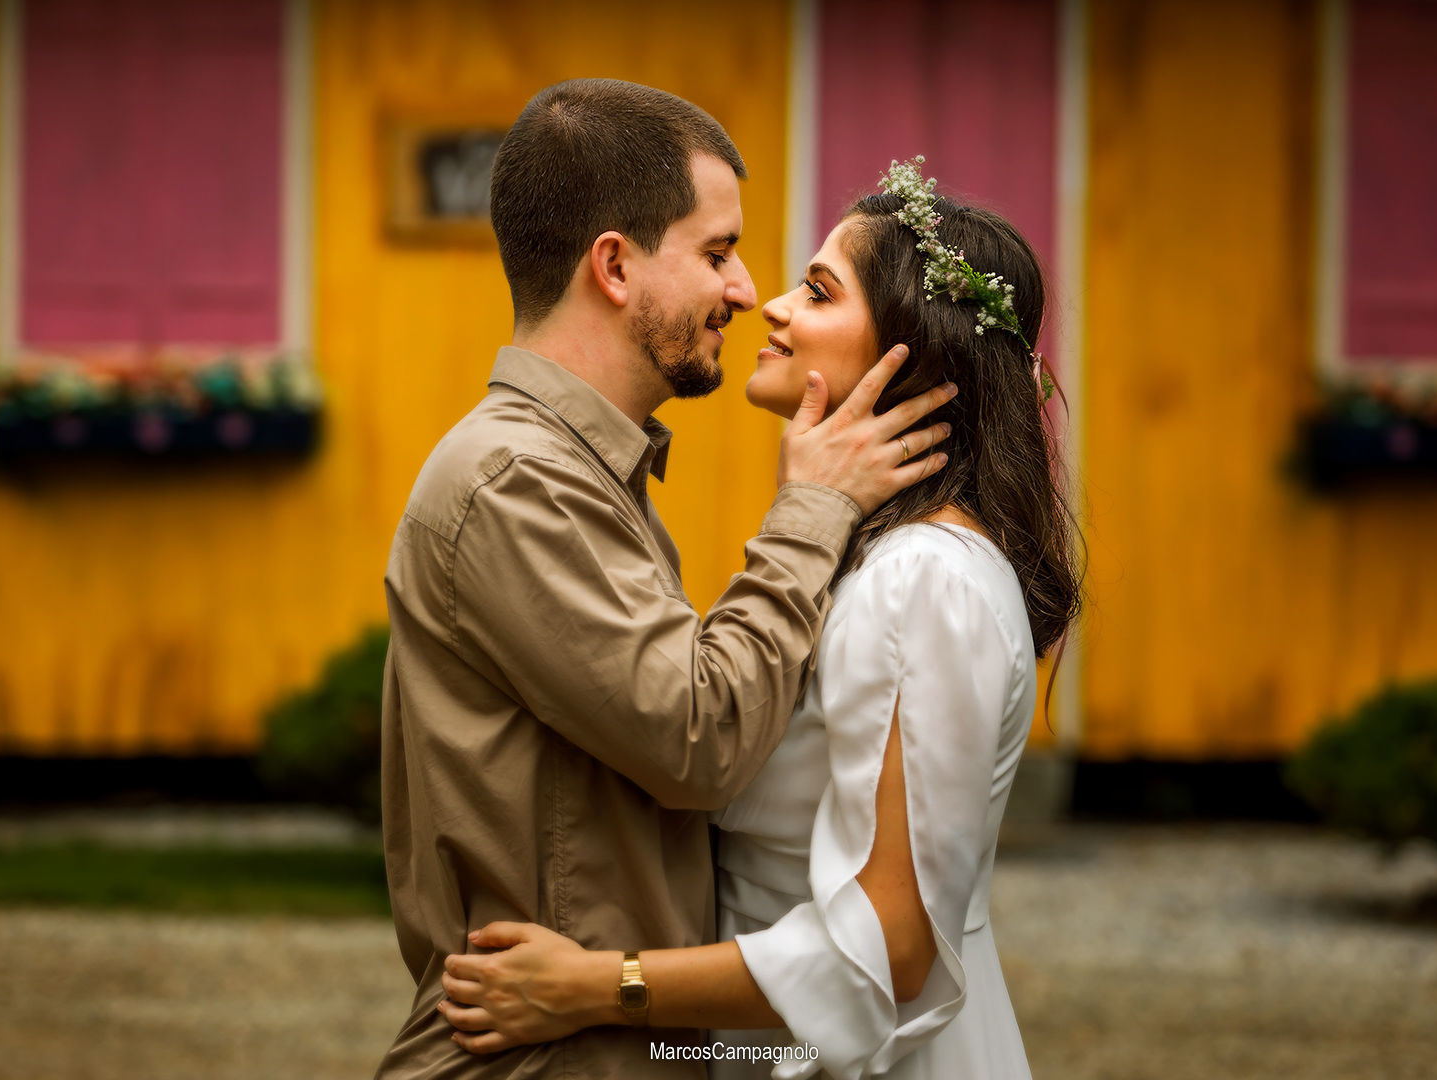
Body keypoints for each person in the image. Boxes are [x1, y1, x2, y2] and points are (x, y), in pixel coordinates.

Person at [434, 159, 1084, 1079]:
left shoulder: (926, 579)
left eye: (817, 292)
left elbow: (893, 948)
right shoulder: (870, 557)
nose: (767, 306)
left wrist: (595, 987)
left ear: (913, 353)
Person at [375, 83, 955, 1080]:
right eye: (717, 252)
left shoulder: (582, 470)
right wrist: (811, 508)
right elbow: (700, 739)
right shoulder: (516, 480)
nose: (745, 291)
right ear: (613, 265)